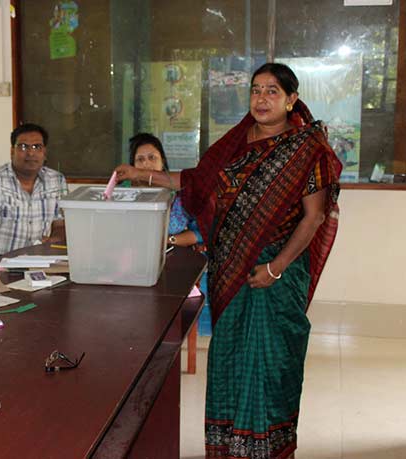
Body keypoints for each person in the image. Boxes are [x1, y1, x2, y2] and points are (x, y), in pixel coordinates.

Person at [116, 63, 341, 458]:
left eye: (273, 91)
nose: (262, 98)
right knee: (229, 362)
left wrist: (275, 268)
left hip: (276, 274)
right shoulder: (236, 142)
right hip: (231, 271)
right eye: (256, 90)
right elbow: (196, 183)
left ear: (291, 99)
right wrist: (139, 173)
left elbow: (315, 217)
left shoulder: (308, 149)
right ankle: (228, 450)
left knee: (270, 367)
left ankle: (267, 450)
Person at [128, 132, 211, 334]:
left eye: (152, 158)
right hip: (133, 263)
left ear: (162, 161)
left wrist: (167, 240)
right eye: (140, 159)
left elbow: (201, 233)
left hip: (175, 262)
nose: (146, 164)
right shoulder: (123, 193)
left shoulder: (182, 193)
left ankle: (167, 333)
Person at [0, 123, 68, 265]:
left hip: (38, 260)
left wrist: (53, 240)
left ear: (44, 152)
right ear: (12, 151)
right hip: (0, 260)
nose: (30, 153)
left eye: (37, 147)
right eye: (23, 146)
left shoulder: (56, 180)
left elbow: (60, 225)